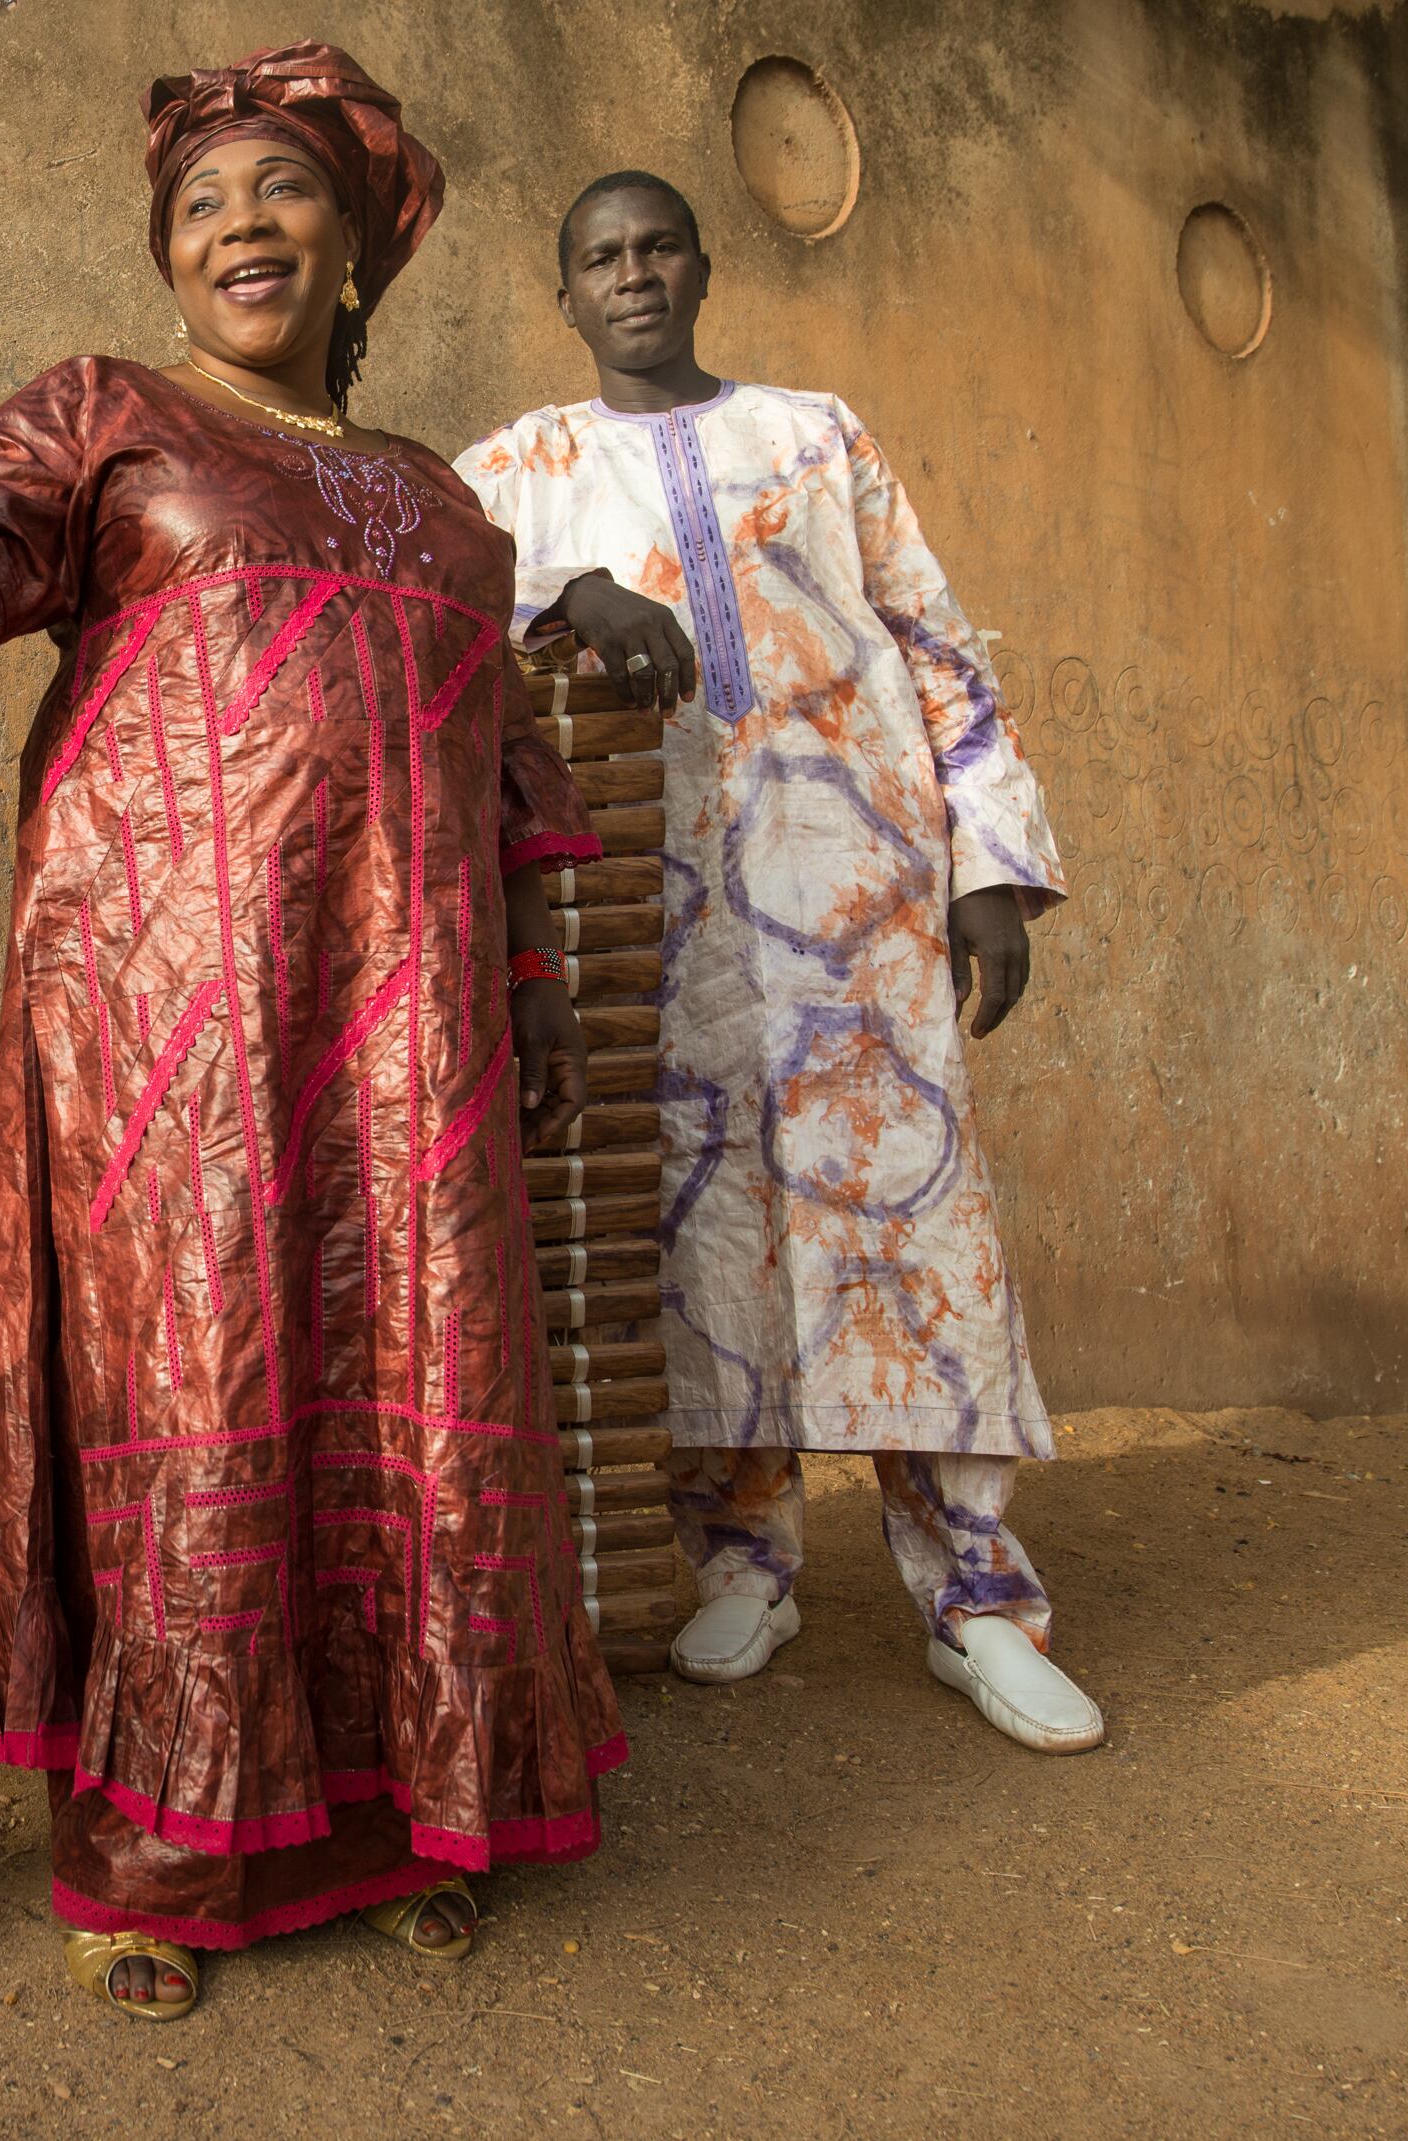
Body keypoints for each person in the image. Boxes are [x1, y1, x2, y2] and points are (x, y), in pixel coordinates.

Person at [0, 44, 628, 2022]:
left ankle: (418, 1808)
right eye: (196, 207)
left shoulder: (440, 506)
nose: (237, 225)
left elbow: (494, 787)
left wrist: (534, 995)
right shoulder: (108, 417)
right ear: (165, 262)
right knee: (192, 1381)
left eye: (281, 193)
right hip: (163, 1030)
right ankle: (160, 1844)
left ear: (358, 240)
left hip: (407, 1040)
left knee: (407, 1385)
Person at [453, 170, 1104, 1754]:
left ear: (699, 265)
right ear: (564, 293)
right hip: (649, 912)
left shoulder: (818, 433)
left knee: (907, 1222)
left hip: (858, 888)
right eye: (599, 256)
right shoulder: (521, 467)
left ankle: (978, 1598)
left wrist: (990, 865)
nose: (632, 274)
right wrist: (570, 592)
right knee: (702, 1223)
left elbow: (937, 637)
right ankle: (741, 1561)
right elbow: (436, 604)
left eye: (656, 245)